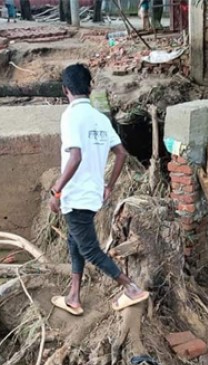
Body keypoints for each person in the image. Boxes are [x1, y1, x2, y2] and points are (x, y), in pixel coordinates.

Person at [49, 64, 149, 316]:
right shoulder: (100, 118)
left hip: (75, 194)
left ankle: (131, 289)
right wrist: (109, 185)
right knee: (75, 241)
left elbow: (75, 157)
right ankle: (73, 296)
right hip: (92, 194)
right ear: (90, 87)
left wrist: (56, 191)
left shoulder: (71, 115)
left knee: (90, 249)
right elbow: (121, 153)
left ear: (65, 90)